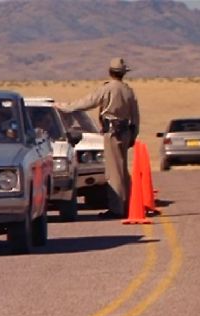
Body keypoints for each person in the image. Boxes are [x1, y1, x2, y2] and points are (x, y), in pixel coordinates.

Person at [57, 57, 139, 218]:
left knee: (113, 171)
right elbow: (135, 116)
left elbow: (88, 102)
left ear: (110, 72)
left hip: (113, 132)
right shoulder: (128, 90)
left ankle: (117, 209)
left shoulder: (108, 89)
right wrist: (133, 135)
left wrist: (66, 107)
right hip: (125, 131)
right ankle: (129, 205)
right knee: (122, 169)